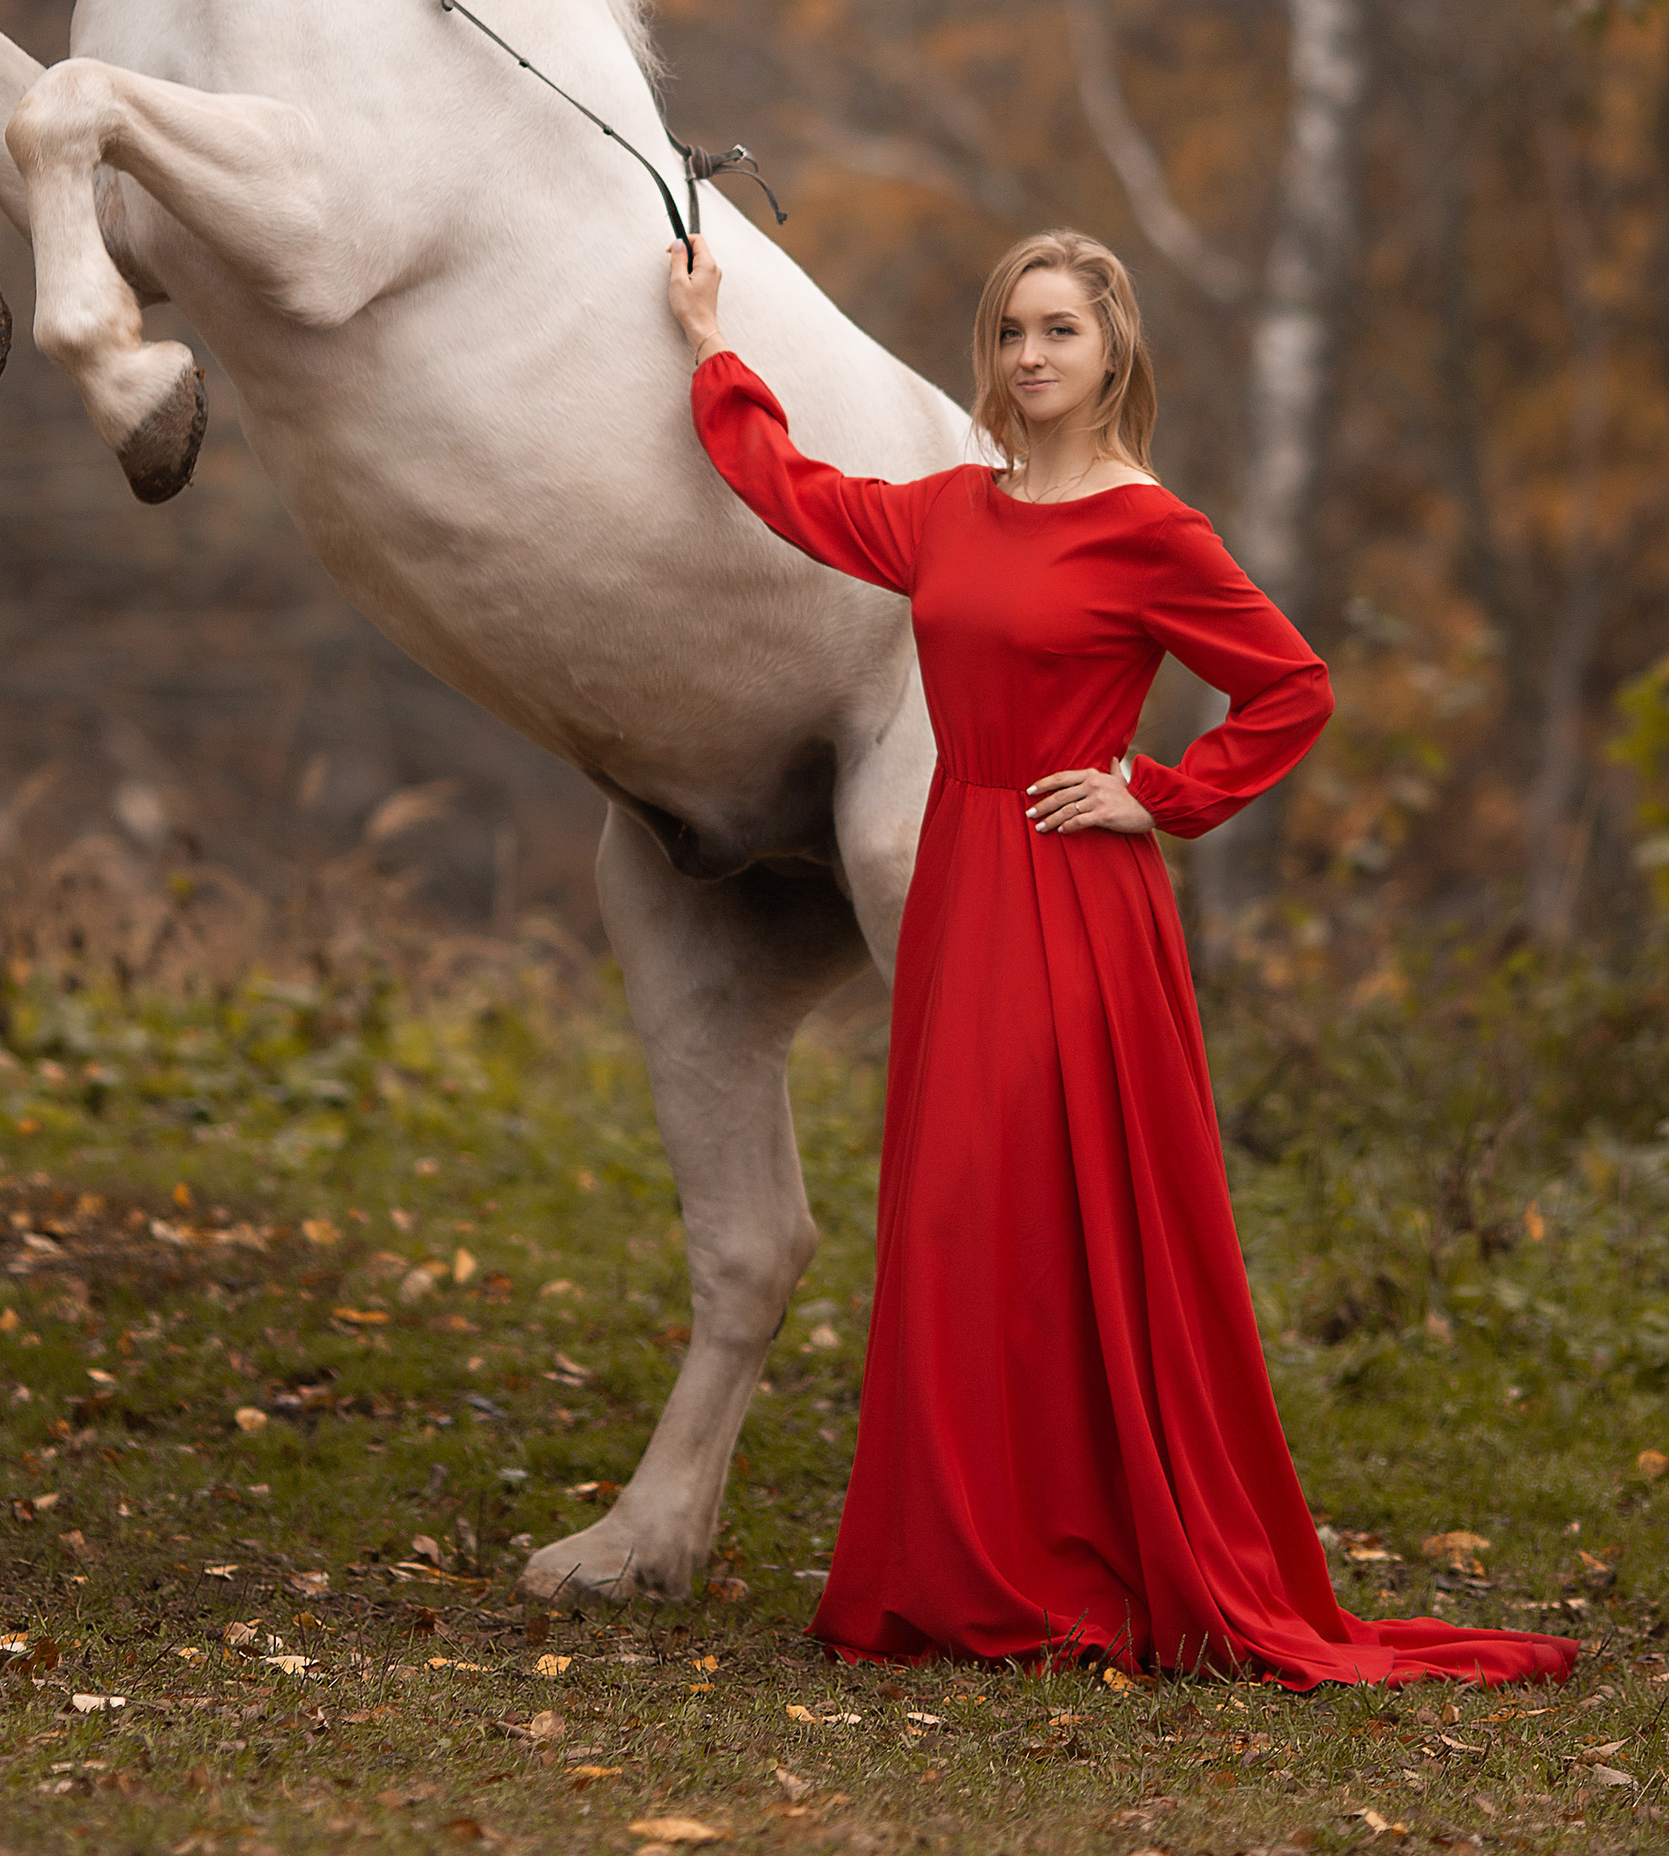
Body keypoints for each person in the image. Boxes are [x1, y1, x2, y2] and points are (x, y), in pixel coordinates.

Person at [667, 223, 1575, 1693]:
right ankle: (962, 1571)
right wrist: (716, 357)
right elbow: (800, 498)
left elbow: (1291, 685)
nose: (1031, 356)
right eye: (1013, 331)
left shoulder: (1150, 529)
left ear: (1113, 353)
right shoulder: (955, 511)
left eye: (1059, 333)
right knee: (957, 1220)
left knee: (1061, 1222)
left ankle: (1088, 1563)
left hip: (1080, 904)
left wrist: (1158, 790)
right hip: (966, 881)